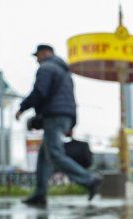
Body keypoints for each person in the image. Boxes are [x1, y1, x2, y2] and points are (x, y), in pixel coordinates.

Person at [16, 44, 102, 207]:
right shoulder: (64, 72)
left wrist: (22, 108)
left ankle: (90, 180)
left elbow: (40, 91)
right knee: (44, 155)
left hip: (53, 117)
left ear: (45, 53)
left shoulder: (47, 68)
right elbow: (70, 100)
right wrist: (71, 122)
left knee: (55, 154)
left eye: (38, 56)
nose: (37, 60)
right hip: (63, 116)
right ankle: (40, 194)